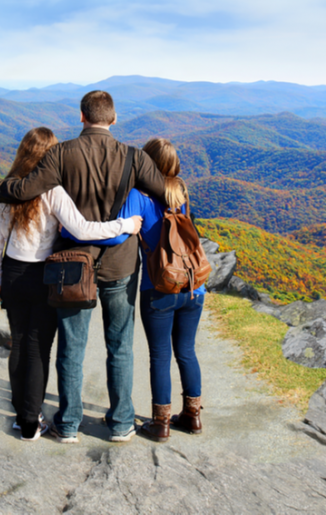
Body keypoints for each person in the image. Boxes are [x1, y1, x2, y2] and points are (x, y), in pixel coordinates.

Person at [0, 91, 166, 443]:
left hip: (72, 266)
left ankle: (68, 423)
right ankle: (120, 423)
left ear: (81, 117)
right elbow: (165, 192)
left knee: (72, 346)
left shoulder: (60, 154)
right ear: (114, 120)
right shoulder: (134, 158)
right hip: (121, 264)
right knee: (120, 344)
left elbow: (26, 189)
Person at [60, 137, 204, 442]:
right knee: (187, 351)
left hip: (160, 286)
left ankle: (161, 423)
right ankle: (193, 416)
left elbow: (116, 238)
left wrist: (81, 233)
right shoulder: (181, 191)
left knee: (160, 354)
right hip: (193, 286)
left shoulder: (139, 195)